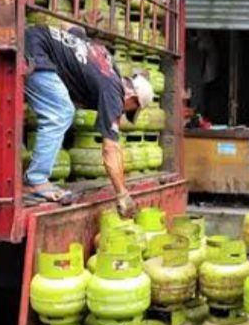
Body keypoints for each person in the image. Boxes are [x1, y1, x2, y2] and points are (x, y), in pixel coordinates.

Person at [23, 24, 154, 218]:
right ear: (132, 98)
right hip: (37, 49)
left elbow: (75, 31)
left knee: (64, 106)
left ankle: (36, 178)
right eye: (129, 111)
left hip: (37, 37)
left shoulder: (108, 63)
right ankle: (36, 180)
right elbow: (110, 149)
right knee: (61, 112)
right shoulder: (114, 93)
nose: (121, 113)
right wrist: (122, 193)